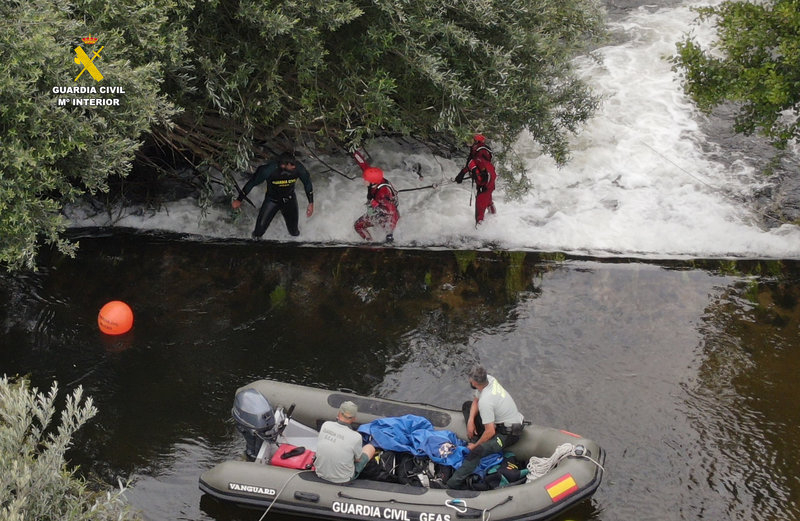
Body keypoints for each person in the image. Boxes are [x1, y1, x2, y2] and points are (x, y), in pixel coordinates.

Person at [446, 365, 525, 489]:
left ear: (474, 382)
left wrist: (475, 446)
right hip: (501, 423)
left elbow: (490, 431)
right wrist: (471, 421)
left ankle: (451, 484)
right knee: (468, 406)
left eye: (470, 379)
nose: (469, 381)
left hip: (508, 434)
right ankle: (476, 438)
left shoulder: (486, 401)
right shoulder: (489, 380)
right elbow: (475, 401)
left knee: (477, 452)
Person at [231, 153, 314, 238]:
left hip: (289, 200)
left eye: (294, 164)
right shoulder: (268, 170)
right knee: (258, 233)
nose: (294, 167)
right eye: (291, 165)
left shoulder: (298, 168)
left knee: (294, 232)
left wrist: (311, 203)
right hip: (272, 201)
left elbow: (307, 183)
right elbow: (252, 183)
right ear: (283, 165)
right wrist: (239, 200)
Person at [314, 401, 377, 483]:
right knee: (370, 447)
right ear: (354, 418)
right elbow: (358, 459)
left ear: (339, 413)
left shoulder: (326, 425)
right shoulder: (356, 437)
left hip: (320, 473)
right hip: (343, 478)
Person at [353, 166, 400, 243]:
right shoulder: (377, 179)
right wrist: (355, 154)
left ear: (373, 182)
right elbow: (364, 166)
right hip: (380, 213)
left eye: (366, 180)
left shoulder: (382, 194)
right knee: (358, 225)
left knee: (358, 226)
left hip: (386, 217)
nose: (364, 180)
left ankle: (370, 242)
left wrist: (389, 233)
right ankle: (370, 241)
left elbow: (391, 211)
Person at [455, 157, 496, 226]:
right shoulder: (480, 159)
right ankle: (494, 218)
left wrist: (484, 186)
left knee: (480, 207)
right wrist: (461, 175)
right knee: (488, 202)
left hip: (486, 185)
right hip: (489, 183)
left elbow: (472, 168)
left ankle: (479, 227)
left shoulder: (475, 161)